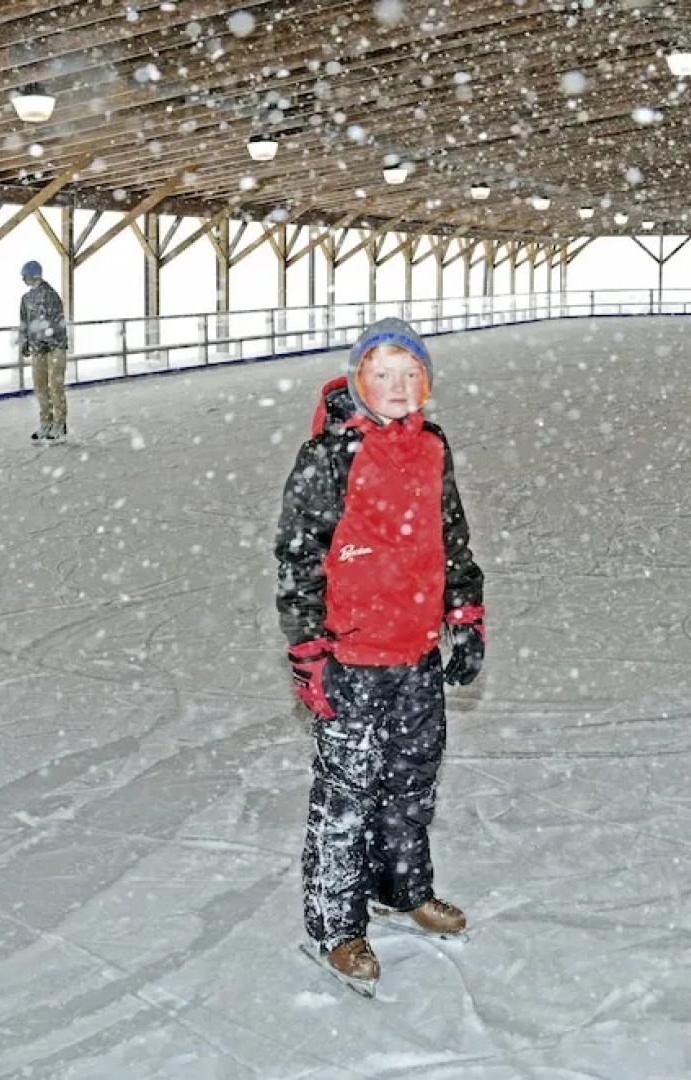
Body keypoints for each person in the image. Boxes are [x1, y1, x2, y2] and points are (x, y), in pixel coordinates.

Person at [274, 317, 485, 995]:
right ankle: (336, 926)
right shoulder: (327, 455)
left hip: (416, 652)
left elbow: (450, 535)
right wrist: (308, 651)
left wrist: (465, 615)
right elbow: (298, 558)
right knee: (347, 795)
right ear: (359, 380)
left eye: (409, 373)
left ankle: (402, 887)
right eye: (382, 373)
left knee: (411, 779)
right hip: (353, 655)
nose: (397, 386)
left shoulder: (432, 446)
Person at [19, 260, 69, 441]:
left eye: (25, 276)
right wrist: (24, 341)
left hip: (55, 347)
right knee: (40, 386)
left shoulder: (51, 295)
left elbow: (57, 321)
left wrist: (50, 339)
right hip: (38, 348)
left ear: (33, 275)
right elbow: (24, 321)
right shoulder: (26, 299)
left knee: (55, 386)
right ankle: (46, 422)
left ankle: (59, 422)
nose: (23, 279)